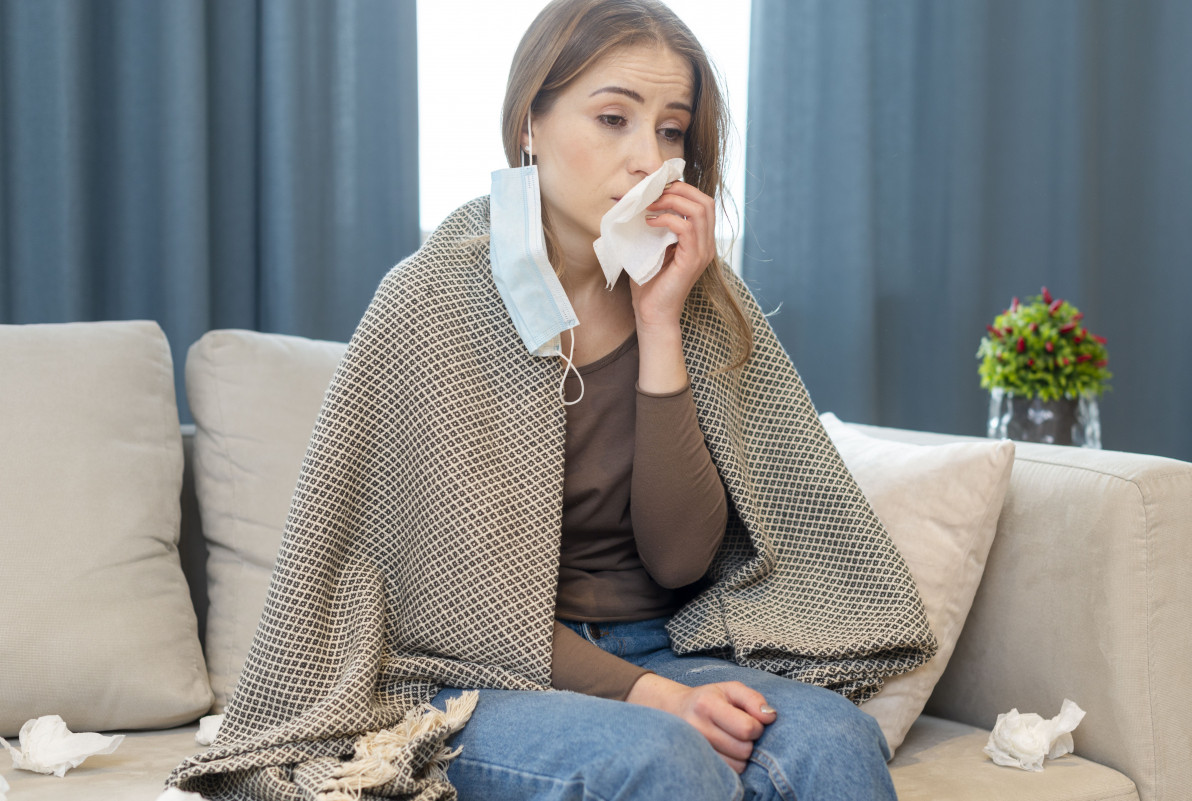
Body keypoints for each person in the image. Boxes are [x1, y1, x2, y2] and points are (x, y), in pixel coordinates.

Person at [168, 2, 935, 800]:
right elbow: (454, 609)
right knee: (658, 759)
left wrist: (661, 321)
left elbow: (679, 560)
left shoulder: (701, 298)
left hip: (667, 641)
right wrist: (651, 698)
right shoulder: (430, 302)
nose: (649, 159)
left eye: (672, 131)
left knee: (837, 741)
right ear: (529, 121)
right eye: (613, 118)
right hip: (471, 672)